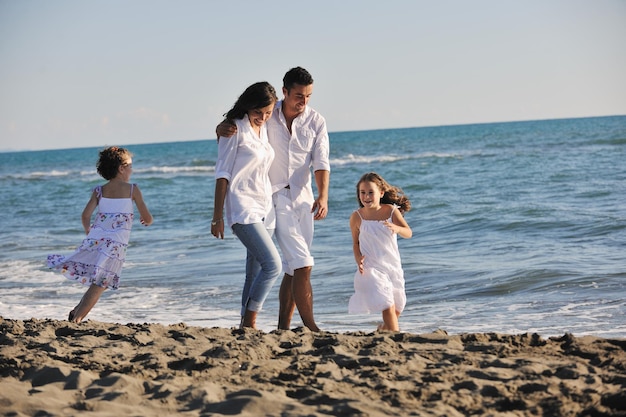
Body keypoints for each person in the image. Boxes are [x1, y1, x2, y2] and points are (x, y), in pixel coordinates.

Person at [216, 67, 330, 332]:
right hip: (275, 196)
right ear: (285, 92)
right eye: (299, 95)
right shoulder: (269, 113)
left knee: (288, 267)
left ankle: (279, 327)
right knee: (298, 263)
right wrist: (220, 128)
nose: (304, 101)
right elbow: (238, 130)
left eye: (308, 96)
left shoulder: (315, 121)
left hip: (300, 198)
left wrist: (323, 195)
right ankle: (310, 326)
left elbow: (321, 161)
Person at [47, 146, 153, 323]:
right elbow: (148, 217)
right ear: (121, 168)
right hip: (116, 246)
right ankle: (77, 320)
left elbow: (85, 215)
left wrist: (89, 232)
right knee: (101, 283)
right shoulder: (133, 190)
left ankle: (75, 312)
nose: (132, 170)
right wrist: (147, 221)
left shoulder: (99, 191)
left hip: (96, 241)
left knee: (98, 282)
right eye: (130, 166)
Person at [211, 81, 282, 329]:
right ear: (248, 107)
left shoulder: (264, 127)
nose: (263, 117)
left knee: (253, 273)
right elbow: (222, 173)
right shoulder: (233, 129)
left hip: (266, 207)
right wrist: (217, 216)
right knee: (273, 265)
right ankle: (251, 322)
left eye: (268, 113)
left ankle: (244, 324)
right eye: (257, 113)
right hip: (242, 207)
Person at [348, 172, 412, 331]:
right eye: (362, 193)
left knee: (398, 305)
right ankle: (396, 337)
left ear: (381, 193)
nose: (366, 196)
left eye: (371, 192)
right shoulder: (357, 217)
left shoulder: (390, 211)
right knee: (387, 303)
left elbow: (408, 232)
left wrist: (397, 228)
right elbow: (355, 243)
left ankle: (383, 329)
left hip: (392, 265)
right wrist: (358, 258)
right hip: (371, 268)